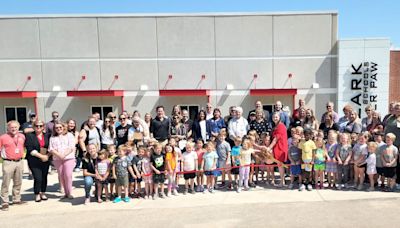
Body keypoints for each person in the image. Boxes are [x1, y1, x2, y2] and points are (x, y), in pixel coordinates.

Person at [0, 121, 27, 211]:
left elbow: (23, 147)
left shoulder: (22, 136)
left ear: (18, 128)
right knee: (6, 182)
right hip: (8, 162)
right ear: (8, 128)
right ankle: (5, 202)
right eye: (12, 127)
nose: (14, 129)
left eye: (15, 127)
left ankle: (16, 199)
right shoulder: (3, 137)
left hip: (19, 161)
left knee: (18, 181)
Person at [48, 121, 76, 199]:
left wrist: (63, 155)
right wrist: (59, 155)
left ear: (64, 127)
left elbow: (71, 147)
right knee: (61, 175)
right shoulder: (52, 137)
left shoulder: (69, 135)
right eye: (56, 128)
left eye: (60, 127)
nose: (59, 129)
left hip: (69, 158)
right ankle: (65, 193)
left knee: (68, 175)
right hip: (57, 159)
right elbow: (51, 149)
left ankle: (69, 192)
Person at [24, 120, 50, 202]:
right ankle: (37, 193)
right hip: (34, 160)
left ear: (43, 127)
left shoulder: (48, 136)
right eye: (36, 126)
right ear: (33, 127)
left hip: (46, 159)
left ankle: (43, 192)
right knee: (38, 178)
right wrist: (41, 156)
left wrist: (47, 156)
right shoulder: (29, 136)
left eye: (41, 126)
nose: (38, 127)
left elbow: (51, 147)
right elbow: (30, 149)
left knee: (44, 177)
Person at [267, 112, 288, 187]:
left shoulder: (281, 126)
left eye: (276, 117)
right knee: (280, 165)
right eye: (273, 117)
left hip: (280, 147)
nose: (275, 118)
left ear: (280, 117)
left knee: (280, 165)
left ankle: (282, 182)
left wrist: (269, 147)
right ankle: (283, 182)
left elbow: (276, 139)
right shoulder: (276, 126)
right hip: (278, 147)